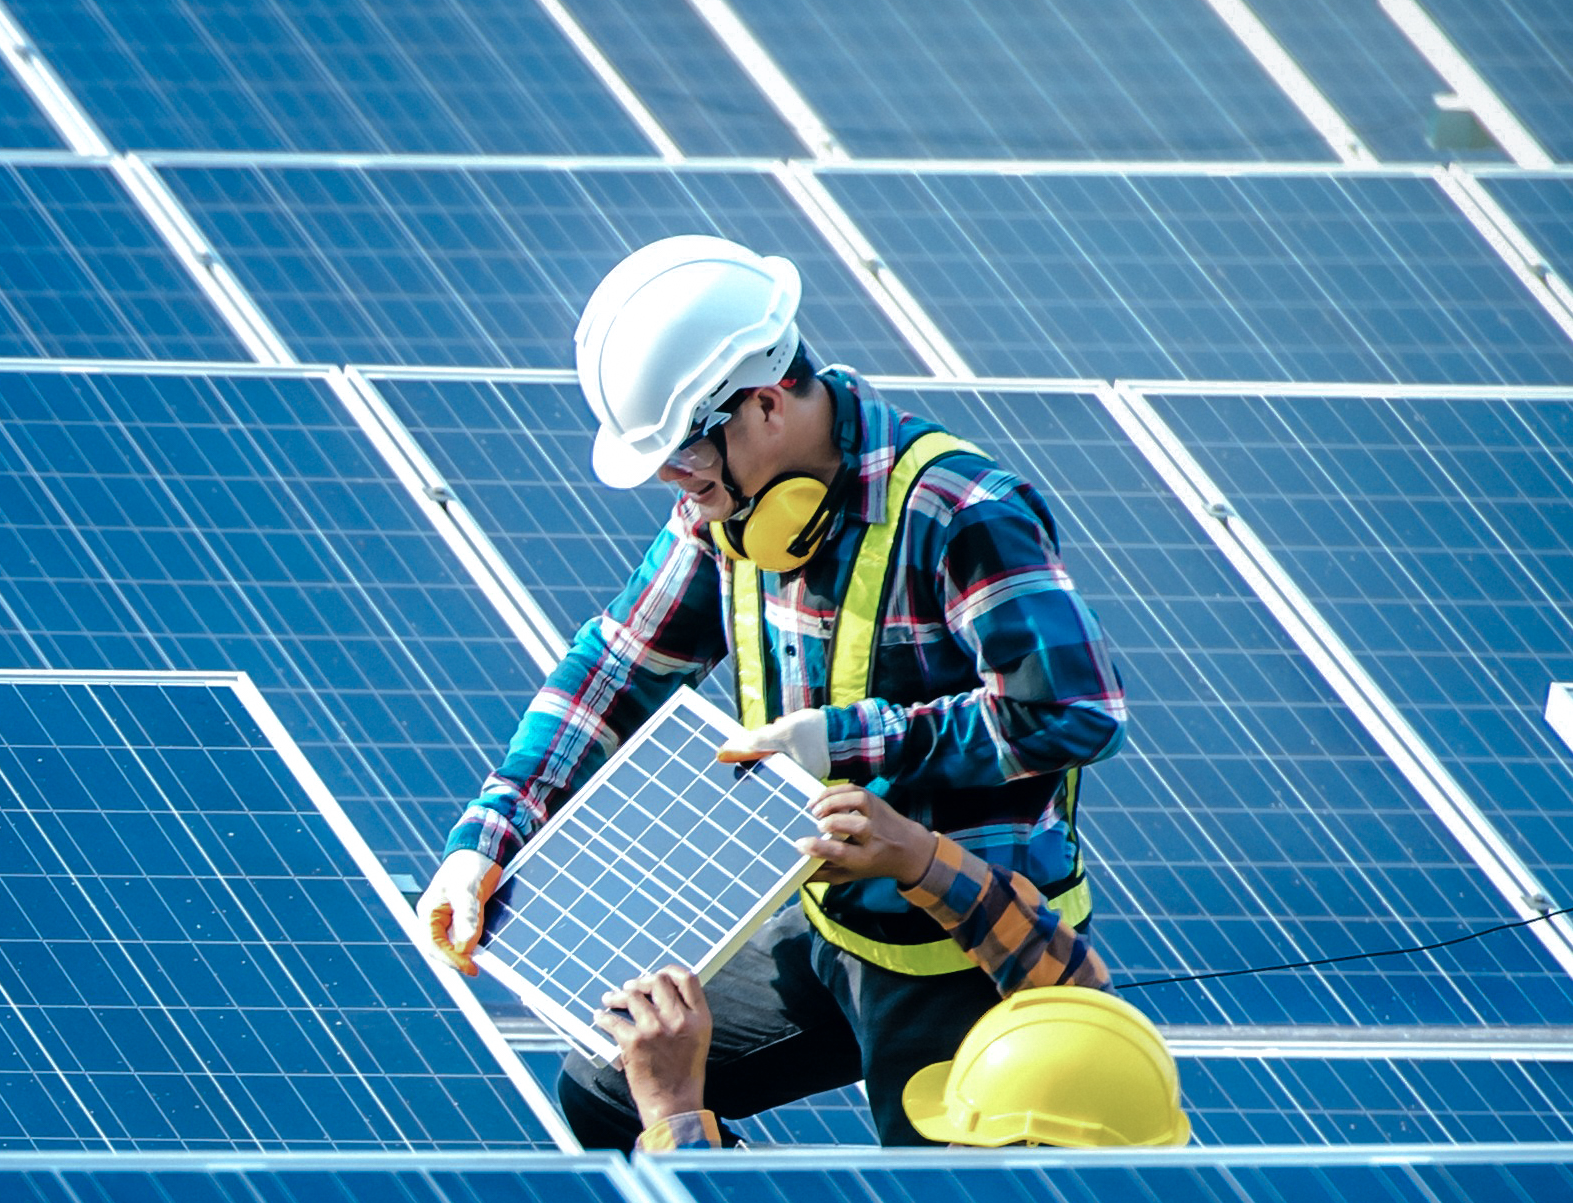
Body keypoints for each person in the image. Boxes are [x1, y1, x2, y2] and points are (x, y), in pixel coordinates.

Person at [424, 235, 1141, 1150]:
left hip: (966, 937)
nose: (673, 484)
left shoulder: (962, 511)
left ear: (763, 404)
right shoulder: (721, 514)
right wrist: (489, 837)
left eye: (682, 453)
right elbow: (614, 669)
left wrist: (846, 744)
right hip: (826, 921)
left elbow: (1075, 710)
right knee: (610, 1089)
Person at [589, 786, 1191, 1149]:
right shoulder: (1125, 1116)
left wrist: (672, 1107)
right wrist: (922, 858)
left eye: (963, 1132)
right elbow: (1073, 983)